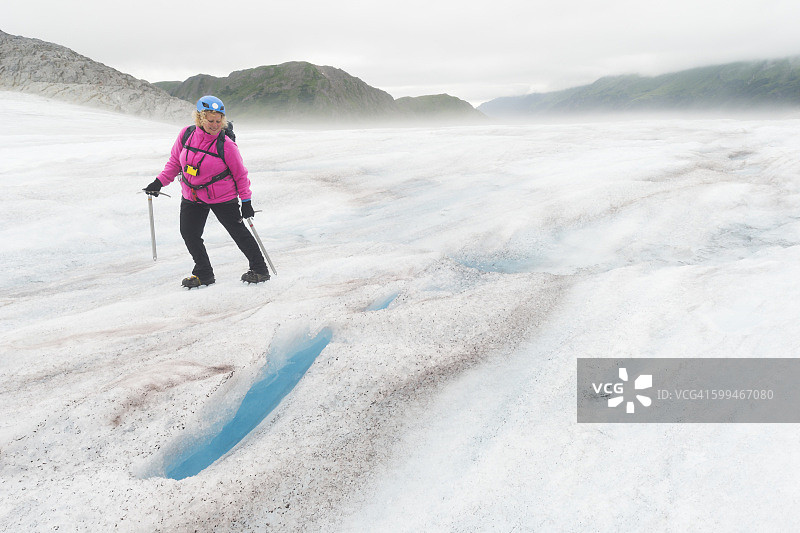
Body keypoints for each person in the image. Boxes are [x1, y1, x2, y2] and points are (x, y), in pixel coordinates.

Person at [143, 95, 270, 288]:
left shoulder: (226, 145)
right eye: (210, 121)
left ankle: (260, 270)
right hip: (192, 195)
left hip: (222, 196)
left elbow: (240, 175)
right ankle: (204, 273)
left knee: (238, 233)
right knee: (189, 233)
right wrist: (159, 182)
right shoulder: (186, 134)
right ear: (200, 118)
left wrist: (246, 202)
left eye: (219, 121)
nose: (215, 125)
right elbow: (175, 162)